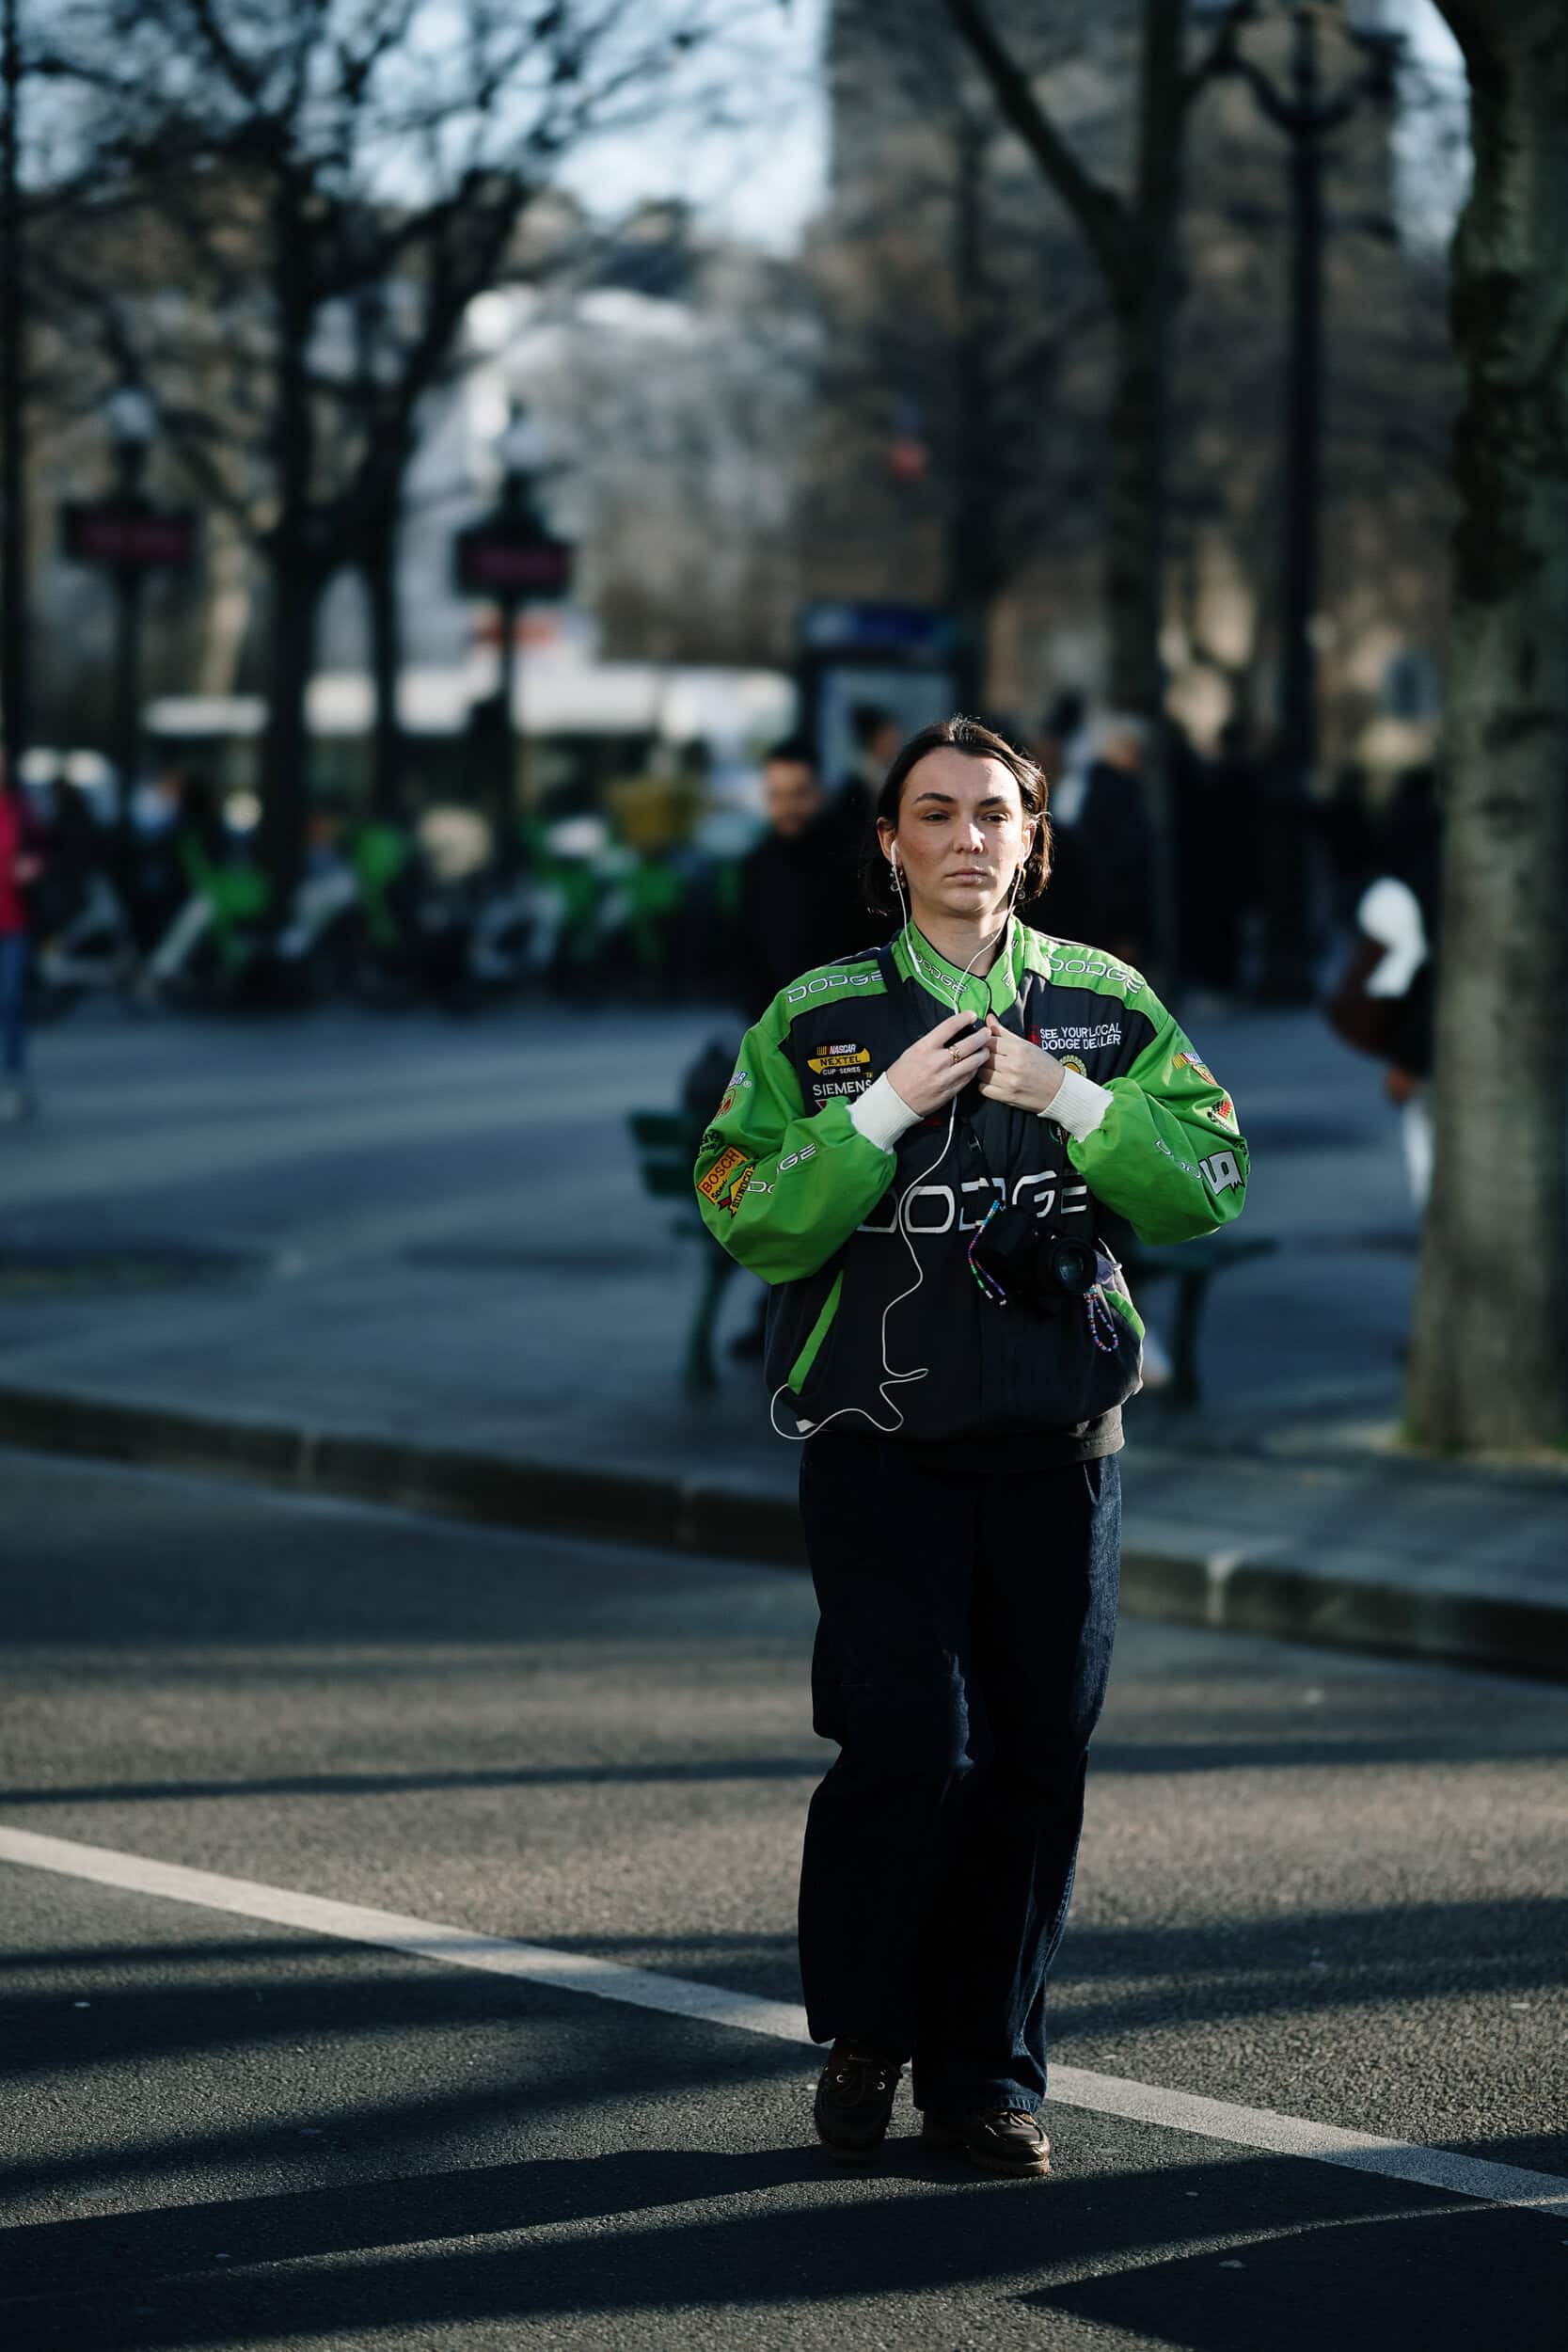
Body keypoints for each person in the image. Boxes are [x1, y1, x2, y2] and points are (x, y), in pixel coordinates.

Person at [695, 716, 1248, 2179]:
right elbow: (746, 1212)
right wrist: (880, 1111)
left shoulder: (1102, 1003)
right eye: (931, 814)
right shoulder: (817, 1018)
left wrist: (1063, 1098)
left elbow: (1206, 1179)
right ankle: (866, 2032)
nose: (964, 839)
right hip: (878, 1451)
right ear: (888, 844)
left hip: (1060, 1447)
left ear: (1030, 838)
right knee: (906, 1751)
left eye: (991, 813)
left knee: (1031, 1763)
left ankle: (984, 2079)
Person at [736, 737, 867, 1025]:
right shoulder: (757, 865)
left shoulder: (854, 860)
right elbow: (748, 955)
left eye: (798, 793)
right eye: (776, 796)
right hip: (778, 1025)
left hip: (849, 1021)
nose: (787, 807)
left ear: (820, 792)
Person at [1037, 710, 1154, 967]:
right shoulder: (1113, 791)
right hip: (1099, 915)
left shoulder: (1082, 785)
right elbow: (1123, 863)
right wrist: (1125, 929)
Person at [0, 761, 44, 1120]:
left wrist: (32, 867)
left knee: (11, 1003)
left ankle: (12, 1081)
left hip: (13, 921)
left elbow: (42, 850)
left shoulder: (19, 810)